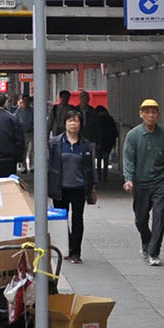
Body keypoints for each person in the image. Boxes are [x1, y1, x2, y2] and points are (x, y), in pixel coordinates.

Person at [122, 97, 164, 267]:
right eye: (147, 112)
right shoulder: (134, 135)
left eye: (153, 112)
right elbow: (129, 160)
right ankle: (146, 242)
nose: (150, 115)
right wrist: (129, 179)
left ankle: (154, 252)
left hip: (161, 182)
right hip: (141, 183)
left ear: (158, 115)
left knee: (159, 218)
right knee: (140, 219)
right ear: (141, 114)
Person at [47, 108, 95, 264]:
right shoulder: (55, 143)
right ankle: (65, 247)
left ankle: (76, 252)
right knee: (61, 220)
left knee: (77, 220)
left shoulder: (86, 145)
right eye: (70, 121)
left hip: (79, 188)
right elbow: (49, 165)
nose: (73, 124)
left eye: (76, 121)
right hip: (60, 187)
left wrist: (92, 187)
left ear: (80, 124)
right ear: (65, 123)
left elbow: (90, 168)